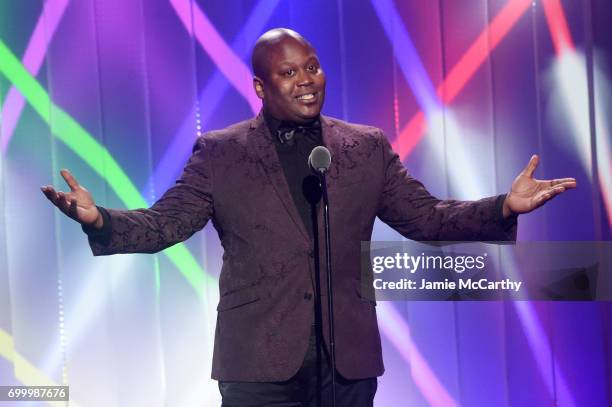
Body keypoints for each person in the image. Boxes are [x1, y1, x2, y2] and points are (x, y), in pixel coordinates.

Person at [41, 28, 576, 406]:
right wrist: (100, 220)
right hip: (259, 364)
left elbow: (426, 217)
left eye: (313, 67)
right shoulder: (220, 153)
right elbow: (165, 225)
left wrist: (502, 207)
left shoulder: (365, 147)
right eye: (289, 72)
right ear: (260, 86)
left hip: (347, 364)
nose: (306, 80)